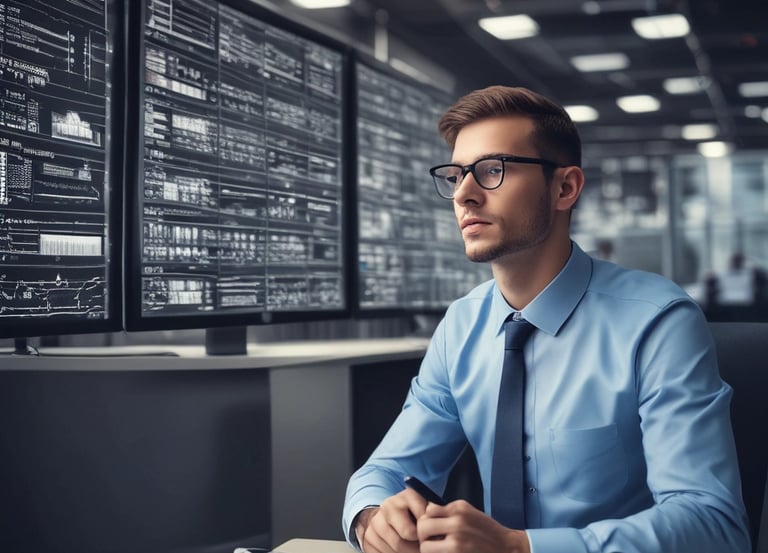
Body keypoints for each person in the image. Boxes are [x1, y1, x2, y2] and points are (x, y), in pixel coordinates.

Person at [342, 86, 751, 553]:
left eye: (492, 170)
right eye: (456, 176)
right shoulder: (461, 326)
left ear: (565, 188)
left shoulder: (658, 323)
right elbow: (387, 470)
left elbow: (713, 525)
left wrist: (522, 548)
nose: (464, 195)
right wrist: (372, 516)